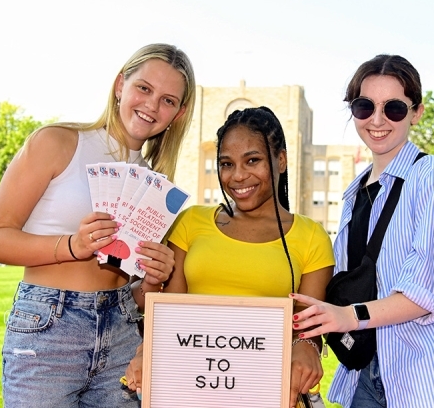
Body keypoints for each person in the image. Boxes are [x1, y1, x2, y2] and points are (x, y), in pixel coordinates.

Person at [0, 43, 196, 407]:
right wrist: (72, 246)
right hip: (49, 327)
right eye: (144, 88)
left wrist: (155, 278)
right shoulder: (58, 142)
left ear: (179, 113)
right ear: (120, 85)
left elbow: (135, 293)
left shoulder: (157, 184)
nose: (152, 106)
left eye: (168, 100)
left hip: (123, 329)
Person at [291, 54, 434, 408]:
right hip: (369, 374)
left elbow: (425, 293)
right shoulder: (355, 192)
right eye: (364, 106)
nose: (377, 120)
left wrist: (347, 315)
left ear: (416, 112)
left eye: (394, 108)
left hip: (433, 378)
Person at [123, 106, 335, 408]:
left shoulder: (311, 236)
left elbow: (308, 329)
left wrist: (306, 348)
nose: (237, 176)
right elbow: (170, 311)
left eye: (252, 160)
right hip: (188, 387)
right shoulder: (190, 222)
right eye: (226, 163)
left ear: (282, 160)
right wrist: (148, 350)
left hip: (264, 391)